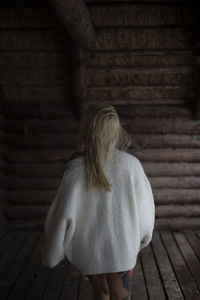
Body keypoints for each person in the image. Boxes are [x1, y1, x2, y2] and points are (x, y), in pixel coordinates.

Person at [40, 103, 155, 300]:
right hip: (123, 248)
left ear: (86, 130)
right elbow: (146, 213)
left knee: (100, 294)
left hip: (89, 251)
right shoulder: (131, 166)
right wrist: (141, 240)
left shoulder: (74, 170)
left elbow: (61, 216)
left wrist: (52, 253)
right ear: (115, 131)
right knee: (121, 296)